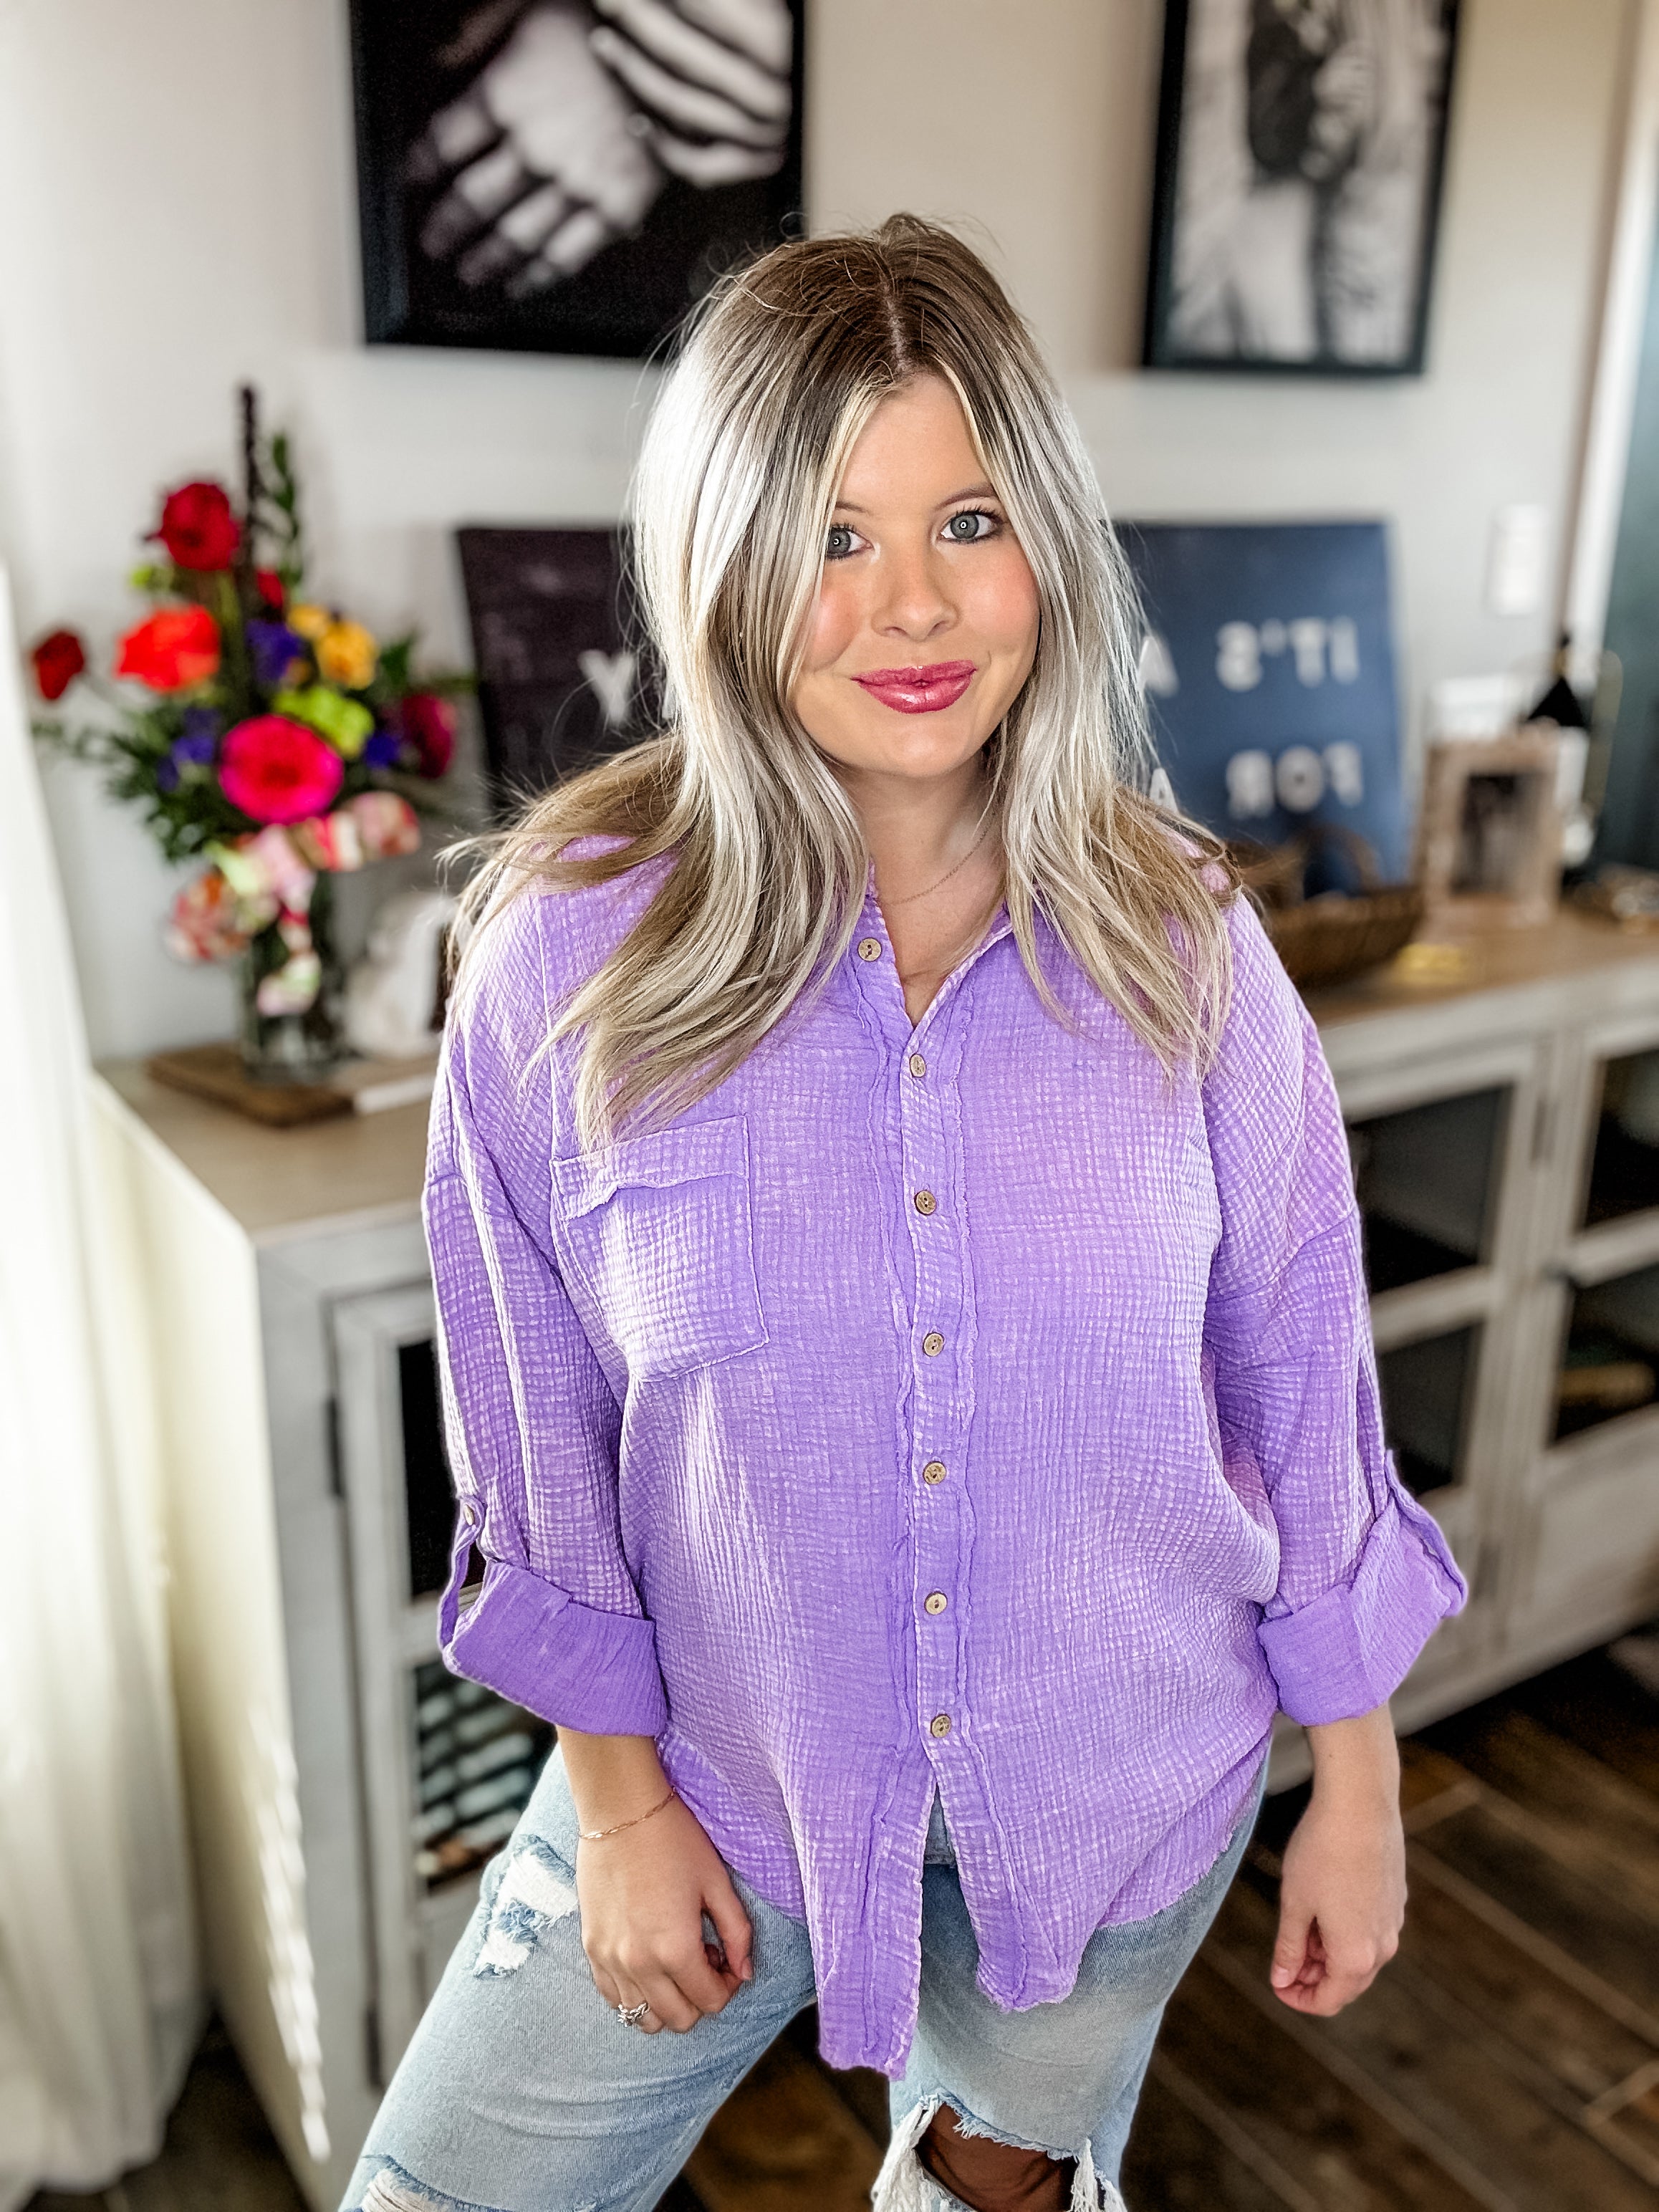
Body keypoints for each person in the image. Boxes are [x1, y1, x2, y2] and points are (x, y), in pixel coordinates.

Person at [342, 215, 1466, 2212]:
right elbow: (534, 1428)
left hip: (1122, 1791)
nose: (913, 607)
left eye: (968, 520)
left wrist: (1358, 1781)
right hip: (709, 1769)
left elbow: (1300, 1379)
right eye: (830, 538)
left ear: (1049, 540)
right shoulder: (565, 954)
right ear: (723, 566)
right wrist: (617, 1815)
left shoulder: (1189, 945)